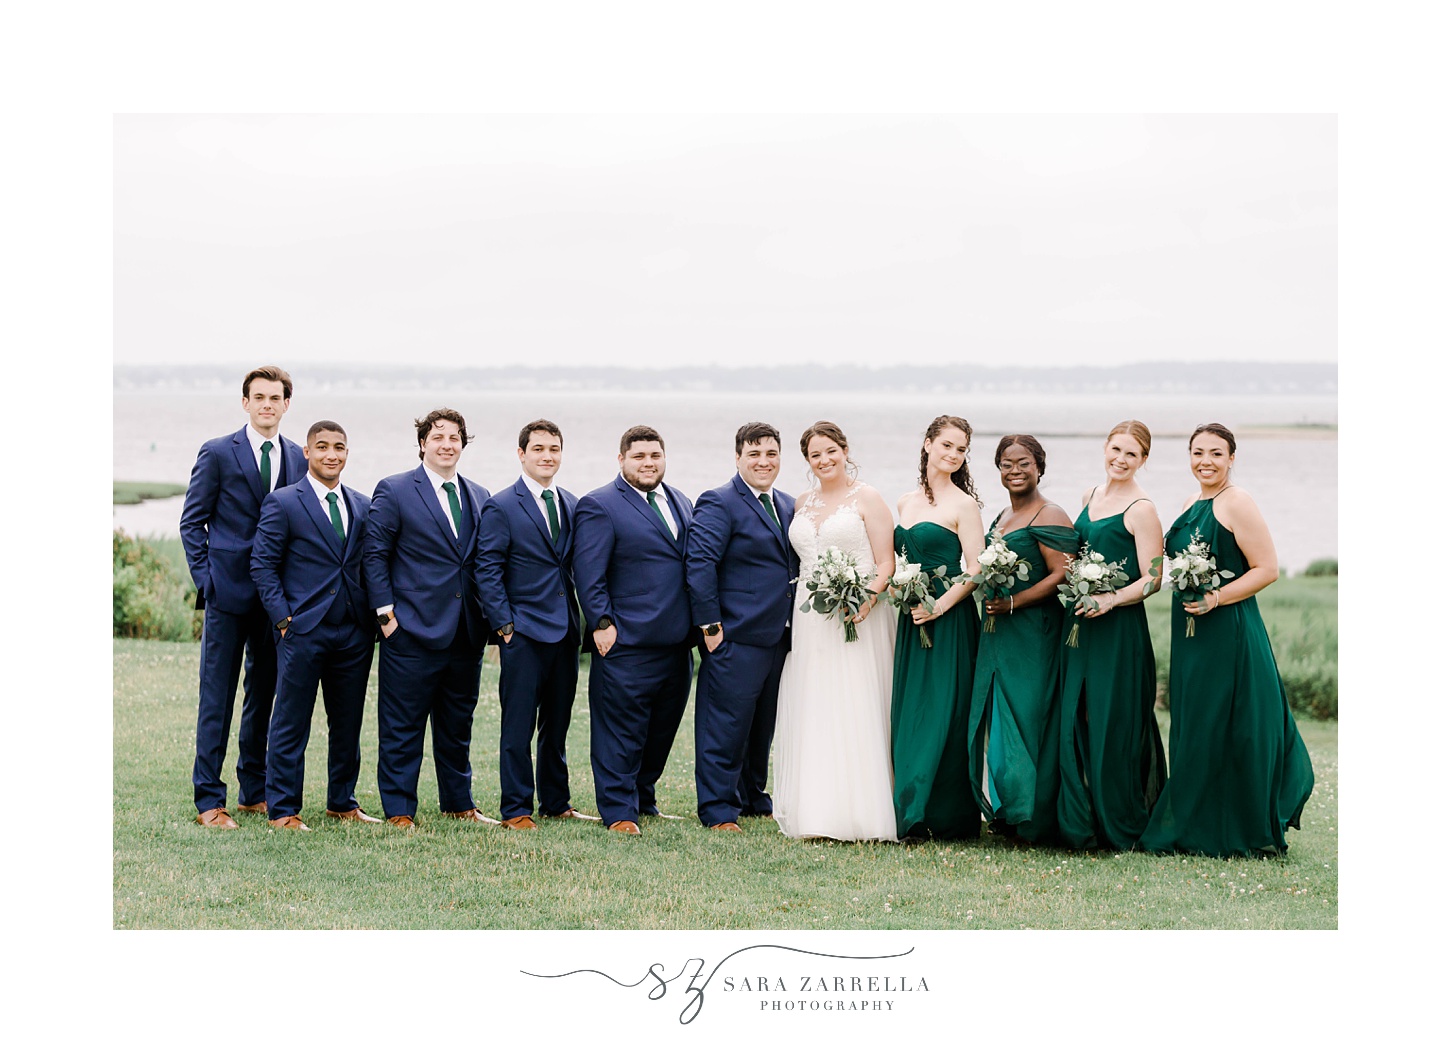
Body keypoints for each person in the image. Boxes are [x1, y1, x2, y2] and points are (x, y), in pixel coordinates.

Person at [1139, 423, 1315, 857]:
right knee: (1196, 721)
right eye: (1197, 452)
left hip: (1229, 629)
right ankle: (1193, 821)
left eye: (1216, 453)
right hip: (1190, 632)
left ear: (1232, 458)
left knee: (1232, 723)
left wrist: (1216, 597)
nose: (1205, 461)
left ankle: (1238, 826)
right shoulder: (1190, 502)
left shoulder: (1238, 502)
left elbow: (1266, 569)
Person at [180, 365, 306, 828]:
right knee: (217, 697)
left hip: (278, 599)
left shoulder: (297, 456)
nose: (268, 405)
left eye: (276, 398)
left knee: (264, 695)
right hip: (227, 594)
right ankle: (209, 801)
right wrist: (207, 581)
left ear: (287, 404)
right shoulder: (217, 452)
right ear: (246, 402)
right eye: (260, 397)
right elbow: (192, 522)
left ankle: (255, 791)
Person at [363, 408, 496, 829]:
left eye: (454, 438)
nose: (446, 444)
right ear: (423, 443)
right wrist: (386, 616)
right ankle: (400, 810)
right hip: (412, 630)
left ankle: (458, 802)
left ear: (462, 444)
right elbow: (375, 555)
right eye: (438, 437)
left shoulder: (479, 494)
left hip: (465, 631)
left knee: (457, 726)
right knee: (402, 727)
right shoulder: (396, 489)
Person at [250, 421, 380, 830]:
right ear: (306, 452)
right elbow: (263, 565)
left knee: (348, 721)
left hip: (353, 630)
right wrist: (284, 620)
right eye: (321, 447)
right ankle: (284, 809)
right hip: (302, 631)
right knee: (291, 721)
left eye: (339, 447)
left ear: (346, 453)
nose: (331, 454)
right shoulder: (284, 502)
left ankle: (342, 801)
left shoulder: (361, 504)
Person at [773, 422, 898, 841]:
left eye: (831, 451)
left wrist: (867, 598)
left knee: (857, 700)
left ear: (845, 450)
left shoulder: (869, 497)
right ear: (807, 461)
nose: (824, 460)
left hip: (858, 614)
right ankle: (819, 811)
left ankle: (864, 812)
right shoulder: (800, 503)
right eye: (815, 455)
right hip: (811, 617)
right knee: (817, 701)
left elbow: (886, 563)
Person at [571, 426, 695, 835]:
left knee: (661, 731)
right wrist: (602, 624)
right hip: (625, 641)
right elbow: (589, 573)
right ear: (621, 459)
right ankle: (620, 811)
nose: (648, 463)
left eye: (655, 455)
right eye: (639, 456)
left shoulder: (680, 501)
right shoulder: (600, 505)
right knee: (619, 733)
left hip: (676, 643)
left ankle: (644, 798)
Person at [476, 420, 598, 830]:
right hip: (523, 631)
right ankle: (515, 808)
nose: (548, 455)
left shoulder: (570, 502)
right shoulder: (501, 505)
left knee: (557, 723)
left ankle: (556, 801)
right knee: (518, 725)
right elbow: (487, 568)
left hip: (565, 631)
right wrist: (504, 626)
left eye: (554, 449)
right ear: (522, 454)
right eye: (539, 448)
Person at [1057, 420, 1167, 850]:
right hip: (1079, 625)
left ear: (1143, 461)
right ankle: (1079, 816)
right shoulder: (1090, 496)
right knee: (1076, 714)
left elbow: (1153, 578)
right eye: (1116, 450)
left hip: (1119, 629)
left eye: (1132, 455)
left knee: (1112, 719)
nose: (1121, 460)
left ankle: (1117, 820)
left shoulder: (1142, 509)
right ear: (1105, 448)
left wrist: (1110, 599)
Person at [684, 422, 797, 832]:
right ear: (738, 458)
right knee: (725, 727)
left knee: (760, 727)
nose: (763, 462)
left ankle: (753, 796)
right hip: (735, 636)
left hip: (779, 636)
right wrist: (711, 627)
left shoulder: (786, 504)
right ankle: (717, 809)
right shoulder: (719, 501)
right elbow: (700, 565)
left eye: (771, 454)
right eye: (754, 454)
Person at [967, 434, 1077, 844]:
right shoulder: (1001, 518)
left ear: (1039, 467)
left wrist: (1014, 602)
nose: (1015, 470)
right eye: (1006, 464)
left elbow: (1062, 574)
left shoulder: (1050, 514)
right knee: (1000, 717)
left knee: (1031, 718)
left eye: (1023, 463)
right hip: (997, 633)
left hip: (1034, 633)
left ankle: (1036, 816)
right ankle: (1008, 810)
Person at [889, 415, 986, 840]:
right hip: (912, 619)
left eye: (961, 449)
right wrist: (901, 592)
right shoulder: (905, 502)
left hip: (950, 621)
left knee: (947, 712)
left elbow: (976, 569)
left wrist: (940, 605)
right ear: (927, 444)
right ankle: (911, 812)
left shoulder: (964, 504)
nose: (953, 454)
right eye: (946, 444)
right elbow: (896, 562)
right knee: (912, 712)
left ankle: (947, 816)